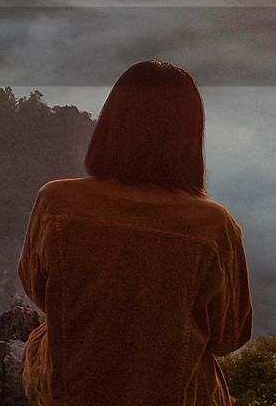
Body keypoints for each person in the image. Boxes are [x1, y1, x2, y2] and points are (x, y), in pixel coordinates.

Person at [18, 60, 253, 406]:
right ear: (189, 136)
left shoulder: (56, 201)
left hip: (71, 393)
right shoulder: (213, 226)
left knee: (43, 338)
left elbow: (39, 290)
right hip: (173, 397)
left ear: (112, 124)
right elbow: (229, 335)